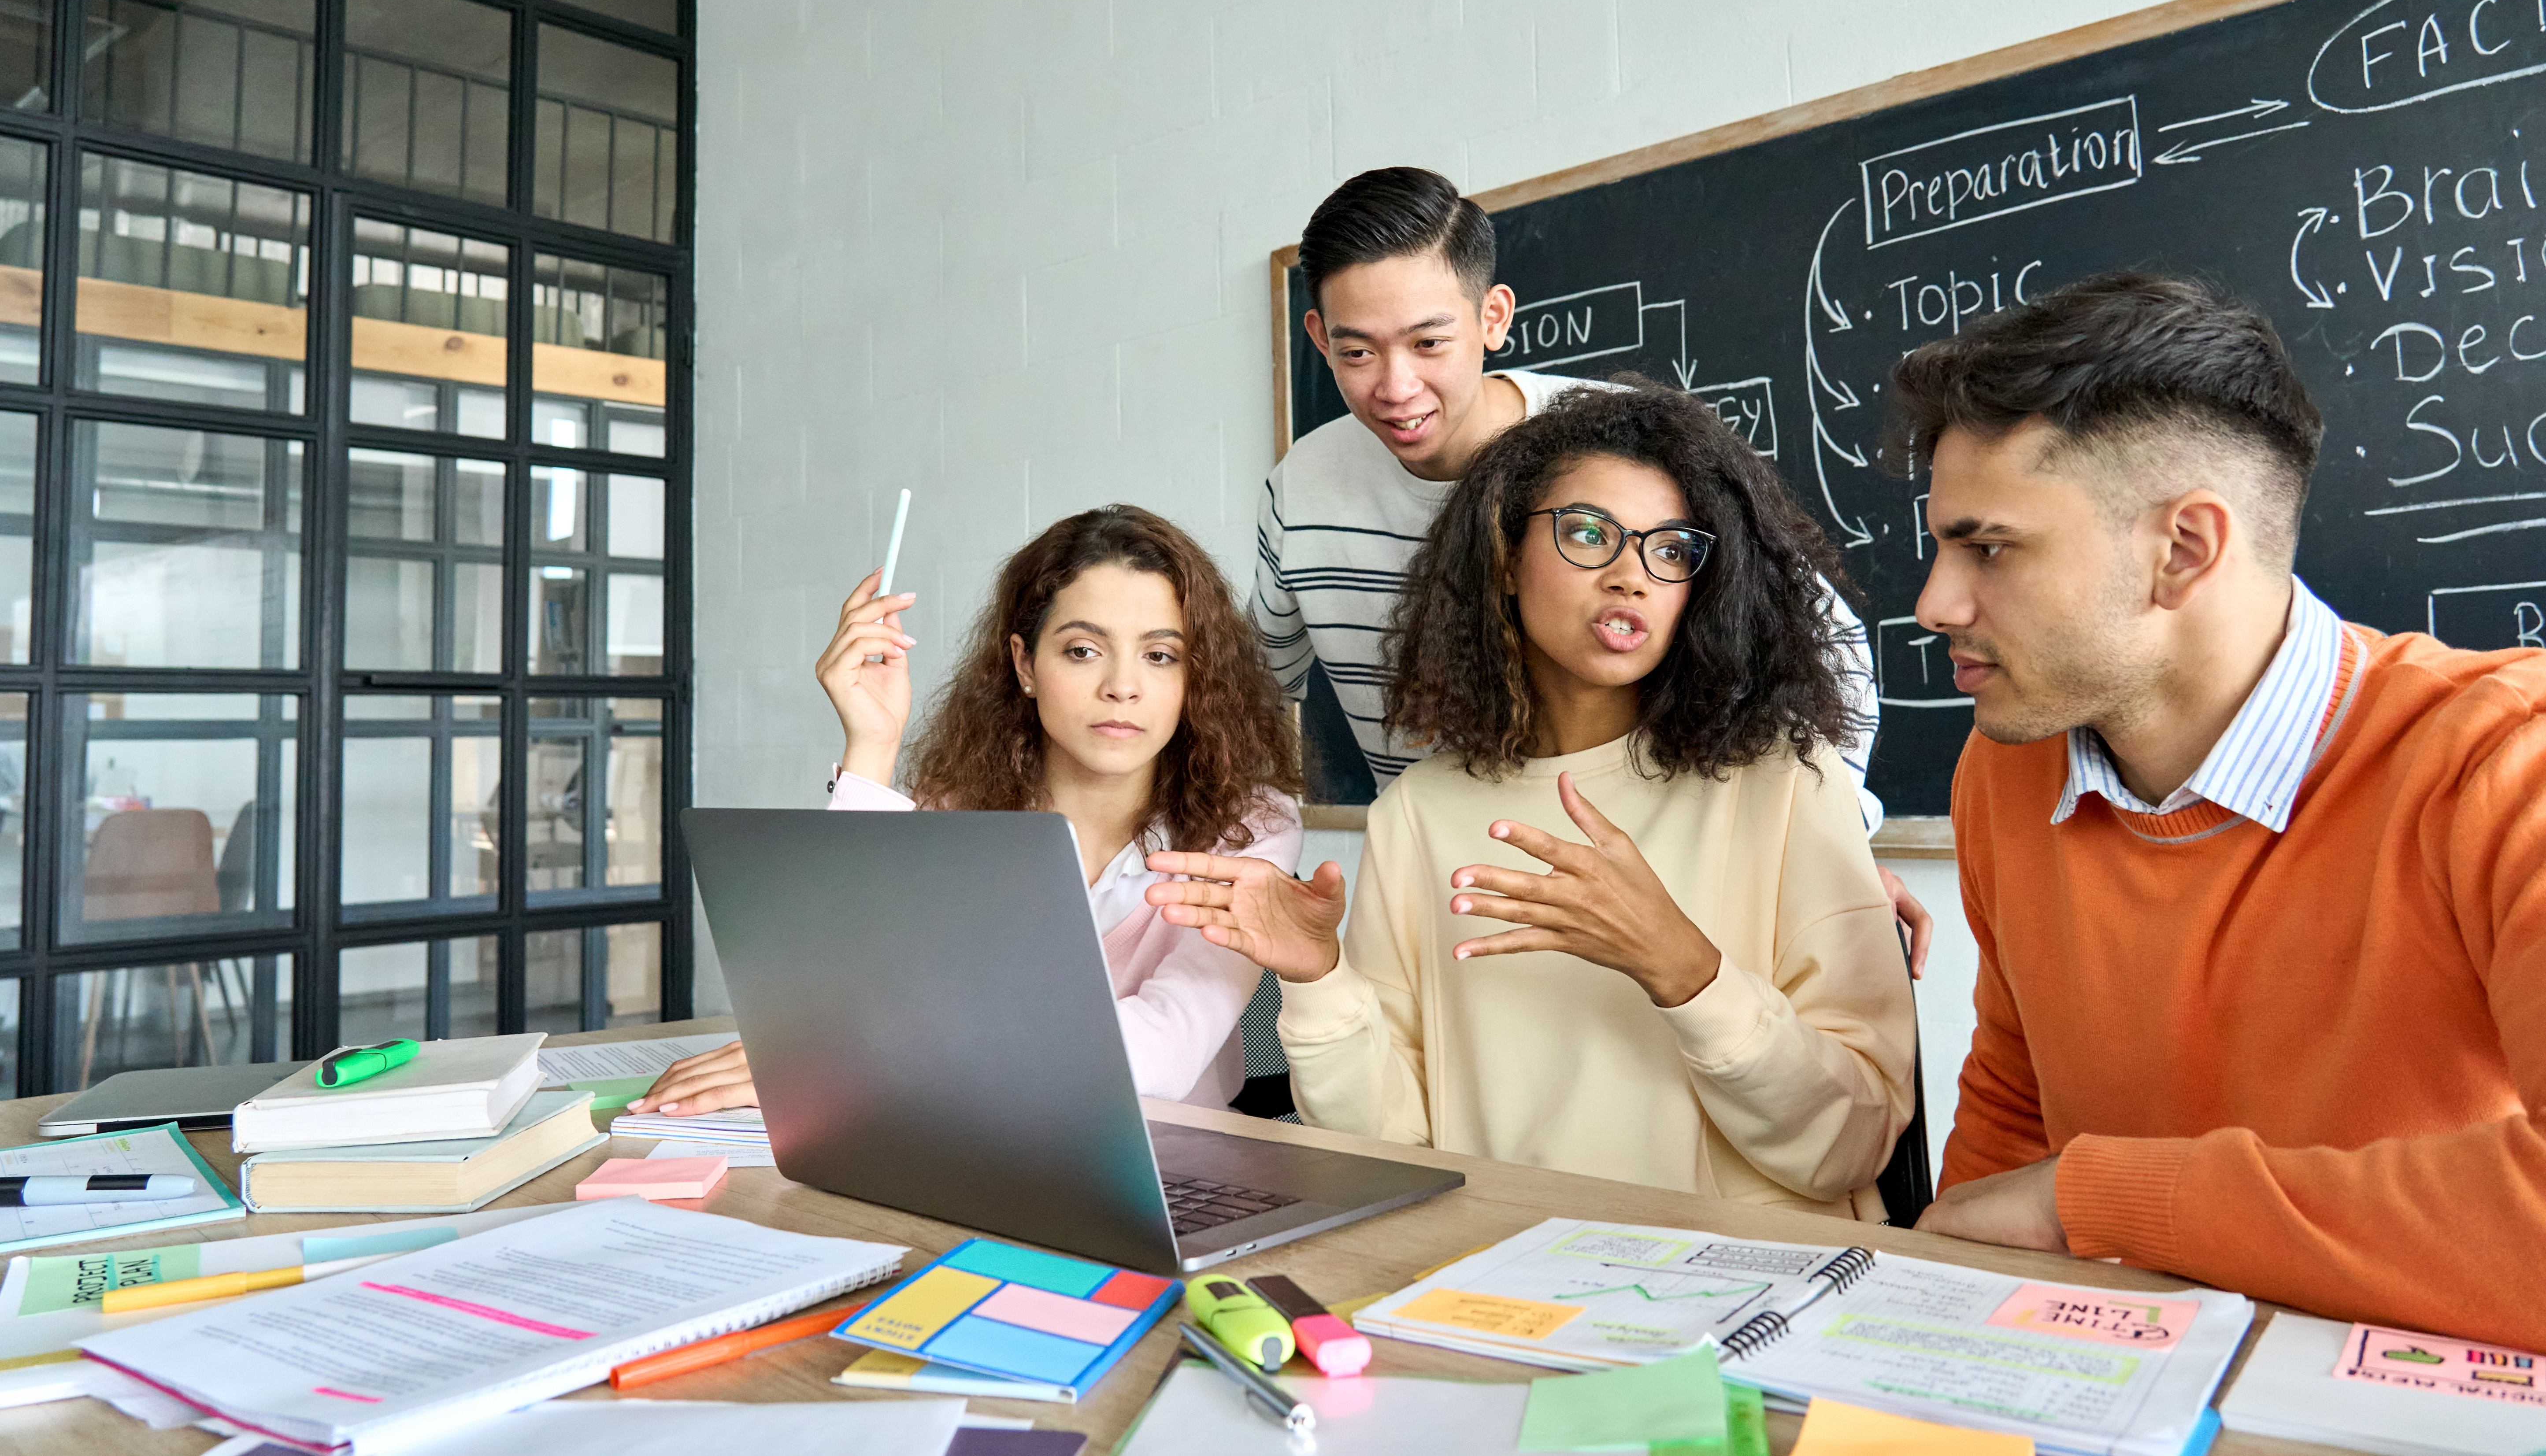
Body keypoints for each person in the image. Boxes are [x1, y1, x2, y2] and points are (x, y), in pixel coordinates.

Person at [1897, 274, 2546, 1348]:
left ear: (2183, 550)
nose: (1933, 603)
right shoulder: (2006, 768)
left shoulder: (2502, 762)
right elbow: (2015, 1105)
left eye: (1988, 547)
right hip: (2115, 1384)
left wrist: (2099, 1200)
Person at [1151, 384, 1918, 1215]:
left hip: (1740, 1295)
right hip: (1499, 1282)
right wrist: (1317, 977)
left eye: (1670, 550)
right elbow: (1389, 1145)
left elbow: (1853, 1144)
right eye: (1589, 533)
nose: (1631, 575)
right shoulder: (1419, 813)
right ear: (1507, 559)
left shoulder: (1787, 783)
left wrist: (1683, 967)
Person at [1258, 166, 1934, 973]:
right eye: (1357, 351)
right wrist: (1262, 854)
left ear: (1493, 317)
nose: (1396, 387)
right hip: (1444, 893)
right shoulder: (1301, 490)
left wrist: (1828, 846)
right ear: (1317, 337)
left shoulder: (1618, 455)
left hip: (1656, 892)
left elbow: (1832, 646)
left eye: (1429, 342)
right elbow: (1258, 692)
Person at [636, 505, 1305, 1114]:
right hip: (962, 1128)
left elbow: (1163, 1054)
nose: (1123, 687)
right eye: (1082, 650)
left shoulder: (1252, 827)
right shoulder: (959, 806)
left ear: (1196, 676)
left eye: (1161, 656)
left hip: (1174, 1166)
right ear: (1024, 663)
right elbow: (839, 985)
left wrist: (853, 1054)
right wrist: (872, 743)